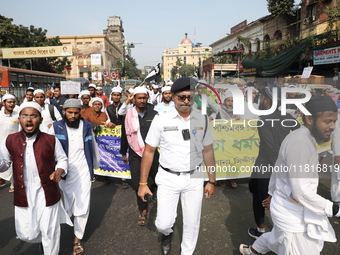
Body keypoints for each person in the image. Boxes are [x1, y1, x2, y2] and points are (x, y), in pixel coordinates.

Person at [240, 96, 339, 255]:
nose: (333, 126)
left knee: (276, 237)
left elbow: (278, 168)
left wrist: (272, 193)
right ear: (309, 119)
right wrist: (334, 208)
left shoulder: (305, 137)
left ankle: (252, 251)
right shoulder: (299, 142)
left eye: (334, 121)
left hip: (291, 205)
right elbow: (300, 191)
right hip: (293, 212)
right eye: (327, 121)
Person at [138, 77, 216, 255]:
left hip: (194, 178)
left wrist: (212, 180)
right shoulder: (161, 119)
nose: (186, 101)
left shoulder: (202, 119)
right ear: (172, 97)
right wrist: (143, 184)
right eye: (182, 97)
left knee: (192, 222)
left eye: (190, 97)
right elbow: (149, 152)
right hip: (167, 177)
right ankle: (167, 233)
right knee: (163, 223)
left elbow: (208, 151)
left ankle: (186, 252)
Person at [0, 101, 71, 255]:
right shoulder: (10, 140)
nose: (29, 119)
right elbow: (4, 164)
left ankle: (49, 249)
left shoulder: (50, 140)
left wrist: (59, 170)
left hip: (47, 192)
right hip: (23, 193)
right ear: (19, 119)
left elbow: (63, 159)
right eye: (25, 116)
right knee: (27, 234)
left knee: (50, 231)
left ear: (40, 119)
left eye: (33, 116)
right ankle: (43, 243)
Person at [247, 85, 300, 240]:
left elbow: (270, 149)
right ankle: (281, 231)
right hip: (282, 165)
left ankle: (261, 232)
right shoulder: (287, 118)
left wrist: (278, 173)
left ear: (267, 100)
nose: (260, 100)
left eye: (262, 97)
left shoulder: (263, 120)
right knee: (279, 198)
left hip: (267, 166)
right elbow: (300, 134)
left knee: (261, 198)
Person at [50, 99, 100, 255]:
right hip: (62, 171)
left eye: (75, 113)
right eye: (69, 112)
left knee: (82, 204)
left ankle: (77, 238)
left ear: (80, 113)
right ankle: (52, 236)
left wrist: (95, 167)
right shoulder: (55, 127)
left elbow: (93, 147)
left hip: (83, 170)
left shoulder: (86, 126)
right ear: (64, 112)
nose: (72, 116)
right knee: (62, 203)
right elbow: (48, 148)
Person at [120, 86, 159, 226]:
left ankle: (154, 199)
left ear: (147, 98)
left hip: (153, 154)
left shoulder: (155, 115)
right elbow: (124, 135)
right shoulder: (128, 115)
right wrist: (123, 152)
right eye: (139, 98)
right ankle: (143, 210)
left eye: (144, 98)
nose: (142, 100)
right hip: (135, 154)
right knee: (138, 183)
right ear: (134, 99)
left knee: (154, 180)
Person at [105, 86, 129, 188]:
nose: (116, 97)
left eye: (118, 95)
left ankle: (124, 179)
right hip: (112, 135)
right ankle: (110, 174)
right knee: (112, 154)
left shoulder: (126, 107)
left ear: (121, 96)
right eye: (114, 95)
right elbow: (106, 118)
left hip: (124, 133)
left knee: (124, 155)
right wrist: (108, 122)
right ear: (112, 96)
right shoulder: (107, 108)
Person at [0, 94, 20, 192]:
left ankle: (13, 183)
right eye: (9, 102)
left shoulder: (17, 116)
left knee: (13, 165)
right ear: (3, 103)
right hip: (0, 144)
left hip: (13, 144)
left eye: (13, 102)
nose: (11, 104)